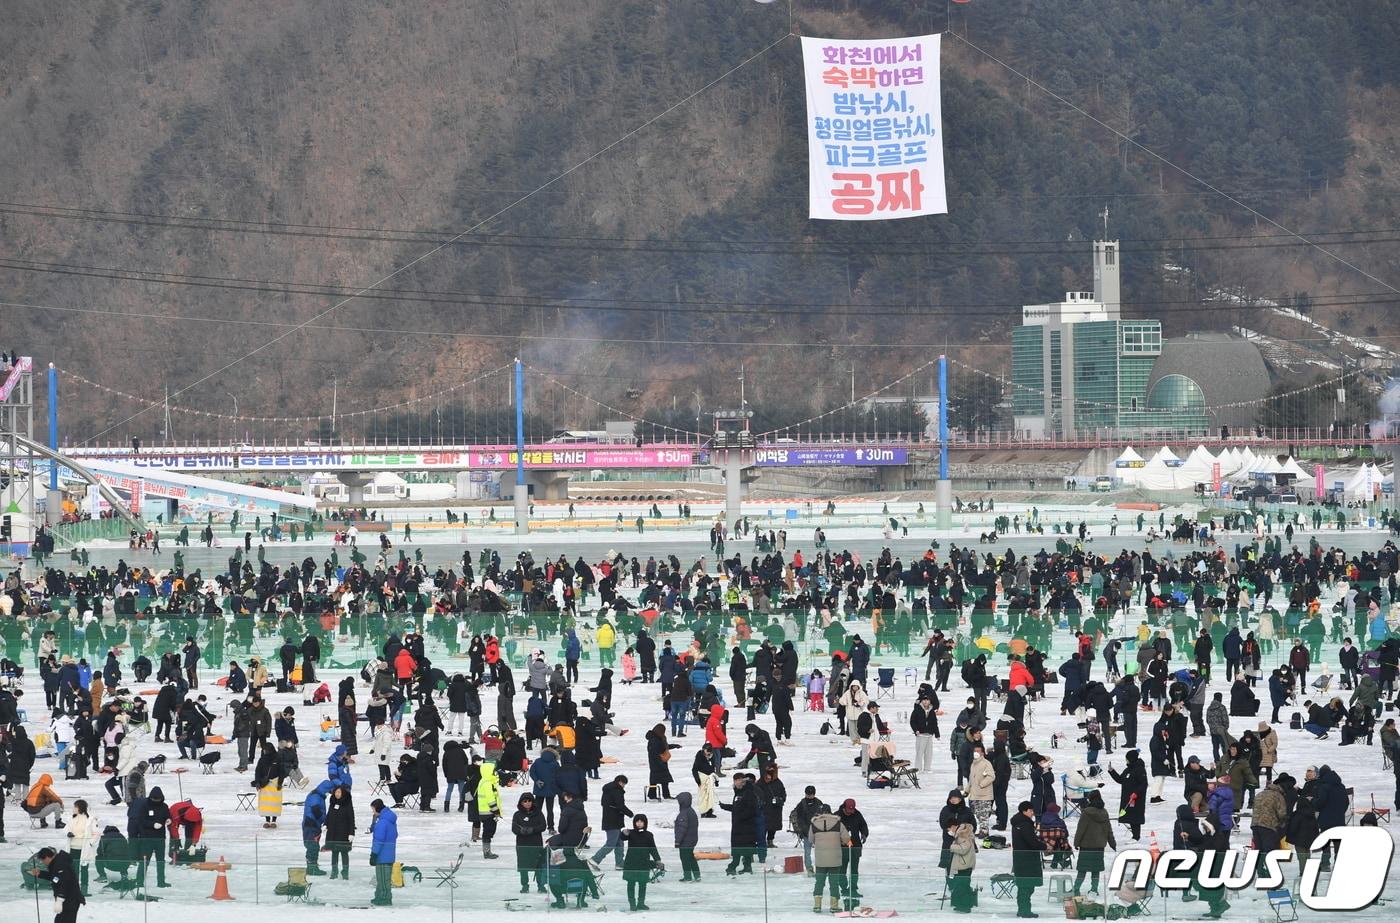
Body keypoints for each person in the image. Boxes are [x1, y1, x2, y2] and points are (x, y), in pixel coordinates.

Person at [1071, 790, 1115, 896]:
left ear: (1090, 799)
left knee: (1082, 869)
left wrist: (1076, 843)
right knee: (1096, 870)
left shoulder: (1086, 812)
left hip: (1086, 846)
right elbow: (1109, 829)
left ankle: (1076, 888)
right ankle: (1094, 889)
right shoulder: (1104, 812)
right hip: (1099, 847)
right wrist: (1112, 843)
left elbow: (1081, 829)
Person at [31, 846, 85, 923]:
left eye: (43, 861)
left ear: (46, 857)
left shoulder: (60, 864)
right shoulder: (57, 863)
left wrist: (60, 899)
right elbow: (56, 878)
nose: (43, 863)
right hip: (69, 900)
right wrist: (40, 873)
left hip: (70, 899)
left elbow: (64, 882)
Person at [810, 806, 849, 913]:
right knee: (834, 883)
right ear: (830, 812)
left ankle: (817, 905)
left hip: (820, 859)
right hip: (835, 859)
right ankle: (834, 906)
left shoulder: (814, 824)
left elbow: (810, 839)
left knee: (819, 882)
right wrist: (840, 842)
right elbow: (846, 838)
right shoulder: (838, 823)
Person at [621, 814, 661, 911]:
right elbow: (622, 837)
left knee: (643, 884)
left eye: (641, 821)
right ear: (634, 823)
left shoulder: (649, 835)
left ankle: (641, 903)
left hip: (643, 863)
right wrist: (623, 833)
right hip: (631, 863)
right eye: (637, 821)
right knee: (631, 883)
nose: (639, 823)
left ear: (645, 823)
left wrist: (658, 860)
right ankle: (632, 904)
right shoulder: (630, 833)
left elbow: (653, 849)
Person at [1010, 801, 1042, 918]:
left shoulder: (1018, 822)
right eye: (1031, 811)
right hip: (1027, 859)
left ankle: (1023, 909)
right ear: (1025, 811)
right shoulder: (1024, 824)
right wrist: (1043, 846)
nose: (1032, 813)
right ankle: (1025, 910)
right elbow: (1032, 842)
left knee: (1024, 886)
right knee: (1027, 886)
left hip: (1020, 859)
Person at [592, 775, 632, 869]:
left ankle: (619, 863)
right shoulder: (616, 791)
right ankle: (595, 859)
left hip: (611, 820)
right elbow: (620, 805)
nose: (624, 786)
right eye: (623, 784)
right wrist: (630, 814)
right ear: (620, 782)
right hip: (613, 821)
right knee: (611, 843)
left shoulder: (608, 789)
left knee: (619, 843)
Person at [512, 792, 547, 893]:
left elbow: (543, 826)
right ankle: (524, 886)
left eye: (529, 801)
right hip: (522, 845)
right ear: (521, 803)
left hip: (536, 844)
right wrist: (521, 831)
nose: (527, 803)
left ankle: (541, 886)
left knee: (538, 866)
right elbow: (514, 828)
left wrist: (532, 830)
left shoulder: (538, 813)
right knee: (523, 866)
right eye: (525, 801)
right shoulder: (517, 815)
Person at [369, 799, 398, 906]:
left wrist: (374, 854)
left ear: (377, 808)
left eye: (373, 810)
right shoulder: (389, 820)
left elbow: (378, 840)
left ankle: (385, 898)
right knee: (383, 879)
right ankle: (380, 896)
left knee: (383, 880)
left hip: (382, 856)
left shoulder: (383, 823)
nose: (373, 812)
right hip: (389, 854)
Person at [324, 784, 356, 880]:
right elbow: (329, 815)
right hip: (333, 832)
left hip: (344, 833)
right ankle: (334, 871)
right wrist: (326, 824)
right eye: (336, 792)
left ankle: (345, 872)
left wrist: (351, 833)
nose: (337, 794)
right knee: (334, 853)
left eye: (339, 792)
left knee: (344, 853)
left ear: (343, 793)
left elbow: (351, 819)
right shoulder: (333, 802)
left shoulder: (347, 803)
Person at [839, 798, 868, 900]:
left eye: (852, 810)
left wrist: (864, 834)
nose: (851, 812)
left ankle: (853, 889)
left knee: (854, 870)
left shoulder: (857, 814)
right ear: (844, 807)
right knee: (842, 869)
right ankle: (843, 888)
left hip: (855, 846)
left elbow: (863, 825)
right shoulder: (837, 816)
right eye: (849, 810)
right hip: (842, 848)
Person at [949, 821, 978, 913]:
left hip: (963, 865)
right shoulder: (964, 834)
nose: (949, 830)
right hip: (965, 864)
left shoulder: (963, 835)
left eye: (950, 828)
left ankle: (964, 906)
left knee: (962, 886)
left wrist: (952, 846)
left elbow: (963, 849)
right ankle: (962, 904)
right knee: (963, 885)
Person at [674, 791, 700, 882]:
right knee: (691, 857)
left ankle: (687, 876)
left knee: (685, 859)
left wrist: (677, 841)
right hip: (692, 840)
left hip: (685, 841)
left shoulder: (684, 813)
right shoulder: (691, 811)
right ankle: (697, 875)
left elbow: (682, 828)